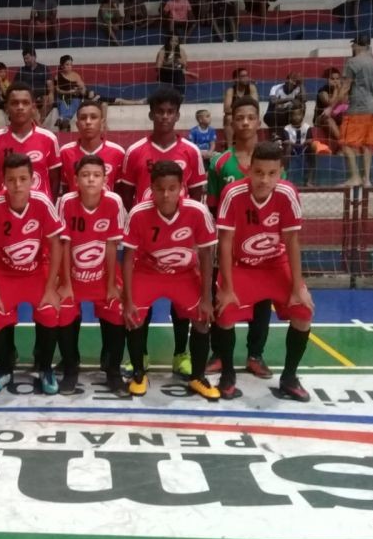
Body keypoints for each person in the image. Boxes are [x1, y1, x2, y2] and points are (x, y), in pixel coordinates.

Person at [214, 141, 314, 402]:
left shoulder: (288, 193)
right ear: (249, 170)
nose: (264, 179)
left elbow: (292, 241)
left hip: (274, 264)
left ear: (280, 172)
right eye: (259, 172)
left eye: (272, 173)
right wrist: (226, 287)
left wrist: (298, 285)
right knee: (224, 312)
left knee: (303, 311)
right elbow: (224, 242)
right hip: (242, 266)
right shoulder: (232, 193)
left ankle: (289, 377)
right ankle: (227, 374)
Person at [118, 88, 206, 378]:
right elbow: (127, 195)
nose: (165, 116)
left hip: (179, 239)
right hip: (145, 238)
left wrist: (191, 239)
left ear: (178, 115)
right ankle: (139, 355)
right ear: (151, 114)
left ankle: (181, 353)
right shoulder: (135, 151)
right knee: (141, 301)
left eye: (170, 111)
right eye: (160, 111)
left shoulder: (191, 151)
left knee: (181, 303)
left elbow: (196, 196)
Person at [122, 160, 217, 398]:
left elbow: (206, 254)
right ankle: (138, 375)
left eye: (172, 188)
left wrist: (206, 297)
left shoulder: (197, 211)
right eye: (160, 188)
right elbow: (128, 258)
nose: (166, 194)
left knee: (203, 318)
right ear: (151, 189)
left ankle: (197, 377)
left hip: (184, 274)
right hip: (148, 272)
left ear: (182, 188)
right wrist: (128, 299)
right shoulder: (138, 213)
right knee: (133, 317)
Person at [0, 152, 64, 394]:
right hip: (4, 273)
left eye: (23, 179)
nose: (17, 185)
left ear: (32, 179)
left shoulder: (42, 202)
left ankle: (45, 367)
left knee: (49, 311)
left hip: (36, 271)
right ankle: (5, 367)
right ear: (4, 181)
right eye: (12, 179)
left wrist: (50, 287)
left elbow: (56, 244)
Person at [205, 96, 275, 379]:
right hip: (228, 249)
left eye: (250, 117)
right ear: (230, 123)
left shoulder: (271, 160)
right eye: (239, 117)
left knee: (261, 303)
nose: (245, 122)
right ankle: (220, 353)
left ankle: (255, 355)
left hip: (262, 248)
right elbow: (211, 206)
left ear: (258, 121)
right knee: (222, 300)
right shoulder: (221, 163)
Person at [57, 155, 126, 395]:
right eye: (85, 175)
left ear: (105, 179)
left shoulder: (114, 202)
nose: (91, 180)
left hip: (103, 275)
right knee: (64, 309)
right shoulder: (66, 202)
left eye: (96, 175)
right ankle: (70, 368)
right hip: (73, 276)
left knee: (116, 310)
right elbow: (63, 245)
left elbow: (111, 246)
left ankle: (112, 370)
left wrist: (110, 284)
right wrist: (65, 283)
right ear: (75, 179)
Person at [0, 82, 61, 200]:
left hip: (39, 210)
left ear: (33, 107)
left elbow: (55, 180)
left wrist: (47, 205)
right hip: (5, 209)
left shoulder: (49, 138)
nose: (20, 107)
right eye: (15, 103)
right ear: (6, 108)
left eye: (25, 103)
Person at [335, 35, 373, 188]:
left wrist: (330, 107)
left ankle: (354, 177)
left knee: (345, 143)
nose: (352, 48)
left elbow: (346, 87)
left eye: (353, 45)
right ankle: (367, 179)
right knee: (367, 145)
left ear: (357, 45)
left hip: (358, 109)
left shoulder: (353, 62)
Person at [59, 100, 126, 193]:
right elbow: (66, 189)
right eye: (83, 118)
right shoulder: (65, 152)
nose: (88, 122)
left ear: (102, 123)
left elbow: (119, 192)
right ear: (77, 124)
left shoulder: (117, 153)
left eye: (93, 117)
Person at [282, 107, 319, 187]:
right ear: (290, 116)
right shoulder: (287, 128)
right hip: (292, 149)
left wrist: (306, 143)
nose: (296, 117)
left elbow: (309, 140)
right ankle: (285, 177)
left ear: (302, 116)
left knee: (313, 146)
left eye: (298, 114)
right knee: (288, 148)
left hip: (304, 148)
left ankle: (310, 180)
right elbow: (286, 141)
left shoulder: (307, 127)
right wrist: (295, 144)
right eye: (293, 115)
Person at [14, 47, 54, 119]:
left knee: (47, 99)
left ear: (34, 57)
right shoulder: (21, 71)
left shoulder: (44, 68)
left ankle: (40, 122)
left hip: (42, 97)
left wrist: (51, 93)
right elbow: (15, 86)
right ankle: (38, 125)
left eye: (27, 58)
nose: (25, 61)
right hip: (27, 97)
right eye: (24, 59)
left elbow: (50, 84)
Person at [222, 67, 258, 146]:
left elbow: (255, 105)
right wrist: (241, 111)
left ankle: (254, 147)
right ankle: (229, 147)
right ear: (236, 79)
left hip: (247, 114)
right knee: (228, 118)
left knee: (254, 118)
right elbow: (226, 109)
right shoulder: (231, 90)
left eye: (247, 75)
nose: (246, 78)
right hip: (236, 116)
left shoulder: (251, 88)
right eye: (243, 76)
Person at [54, 55, 86, 131]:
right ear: (62, 66)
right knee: (65, 101)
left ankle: (63, 119)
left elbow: (83, 88)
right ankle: (65, 119)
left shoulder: (76, 75)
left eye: (71, 65)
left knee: (74, 101)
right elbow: (57, 90)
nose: (69, 67)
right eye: (67, 64)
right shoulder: (57, 77)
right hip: (63, 96)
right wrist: (68, 92)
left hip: (75, 97)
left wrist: (79, 90)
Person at [313, 67, 345, 143]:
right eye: (332, 79)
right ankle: (342, 141)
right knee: (329, 120)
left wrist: (341, 91)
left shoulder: (343, 90)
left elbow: (345, 103)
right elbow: (329, 103)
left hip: (336, 116)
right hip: (321, 118)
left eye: (337, 79)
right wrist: (336, 90)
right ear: (327, 80)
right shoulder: (322, 91)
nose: (335, 81)